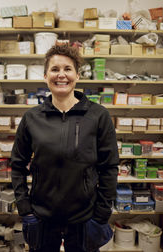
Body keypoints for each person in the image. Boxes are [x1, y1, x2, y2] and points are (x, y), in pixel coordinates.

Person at [11, 44, 119, 252]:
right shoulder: (31, 118)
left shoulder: (98, 115)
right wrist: (25, 209)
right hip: (42, 218)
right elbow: (17, 166)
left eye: (68, 69)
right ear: (45, 76)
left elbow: (109, 168)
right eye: (55, 69)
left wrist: (101, 215)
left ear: (77, 75)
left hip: (84, 218)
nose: (61, 75)